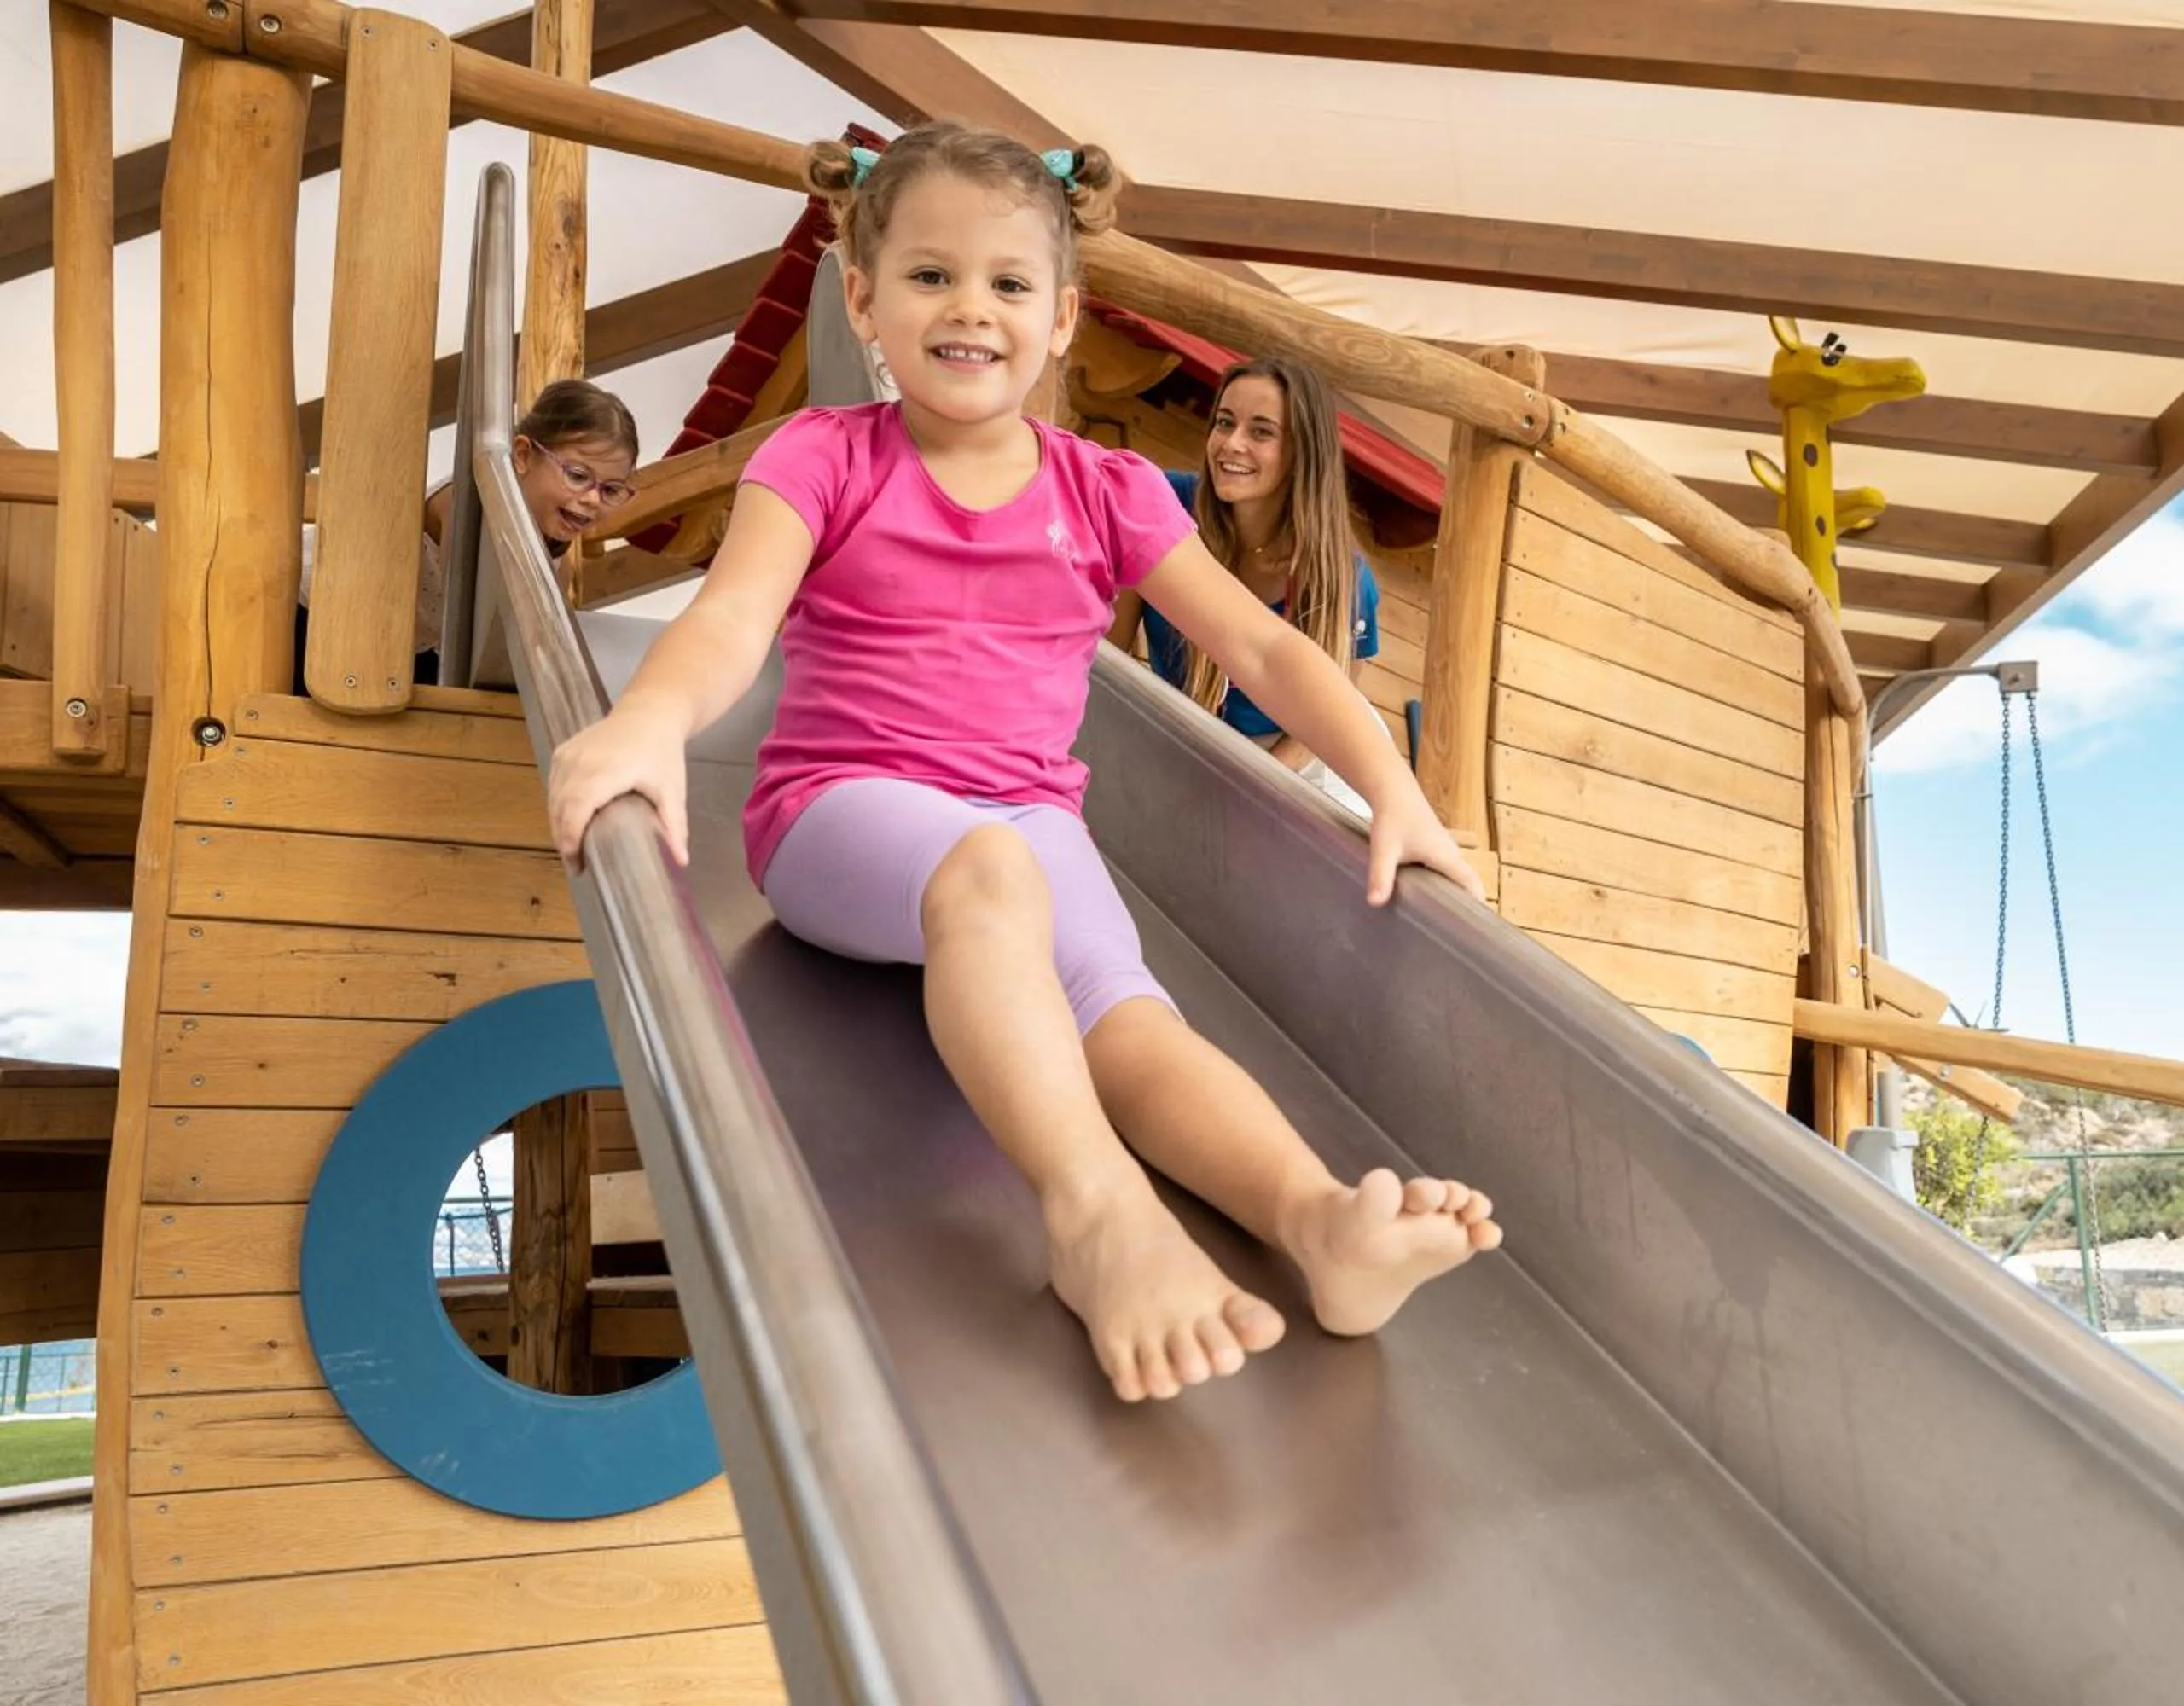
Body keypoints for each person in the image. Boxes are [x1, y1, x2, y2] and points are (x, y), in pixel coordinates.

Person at [543, 120, 1502, 1406]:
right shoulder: (822, 457)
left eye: (1008, 284)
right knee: (990, 872)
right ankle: (1093, 1214)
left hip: (1029, 821)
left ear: (1060, 320)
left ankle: (1319, 1224)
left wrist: (1392, 789)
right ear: (867, 301)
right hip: (840, 818)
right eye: (932, 277)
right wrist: (652, 719)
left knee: (1128, 1016)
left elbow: (1268, 655)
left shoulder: (1105, 489)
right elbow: (728, 621)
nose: (971, 310)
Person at [1112, 357, 1386, 813]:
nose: (1231, 444)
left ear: (1303, 451)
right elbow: (1110, 655)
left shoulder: (1345, 578)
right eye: (1224, 422)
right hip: (1194, 728)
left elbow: (1324, 723)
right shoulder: (1163, 505)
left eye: (1261, 431)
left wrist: (1249, 793)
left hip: (1305, 754)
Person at [294, 380, 640, 693]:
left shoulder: (556, 562)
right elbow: (471, 624)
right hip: (312, 611)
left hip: (398, 645)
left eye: (611, 490)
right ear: (523, 456)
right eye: (578, 476)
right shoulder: (470, 504)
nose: (593, 498)